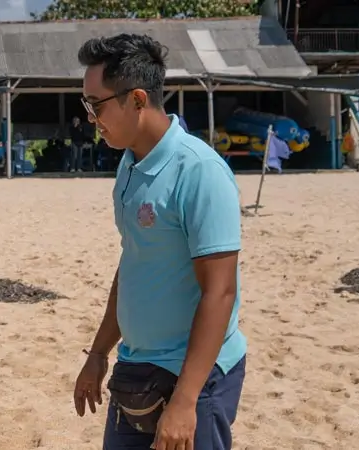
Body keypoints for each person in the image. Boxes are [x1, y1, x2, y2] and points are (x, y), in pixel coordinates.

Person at [72, 34, 246, 450]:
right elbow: (135, 261)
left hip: (196, 378)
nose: (91, 117)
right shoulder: (129, 165)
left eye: (96, 104)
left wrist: (185, 401)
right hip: (135, 366)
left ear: (136, 99)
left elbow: (220, 292)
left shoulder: (199, 170)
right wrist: (98, 353)